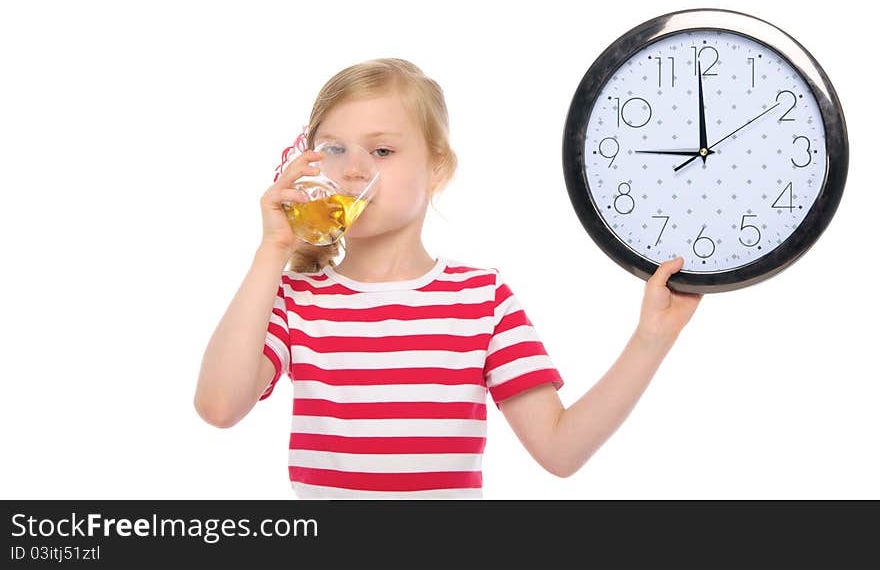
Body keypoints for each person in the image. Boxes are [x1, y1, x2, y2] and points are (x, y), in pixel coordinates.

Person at [193, 58, 703, 499]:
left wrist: (651, 339)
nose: (353, 170)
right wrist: (273, 249)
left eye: (382, 151)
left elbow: (560, 450)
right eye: (333, 149)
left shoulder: (481, 299)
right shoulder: (297, 299)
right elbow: (218, 407)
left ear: (437, 168)